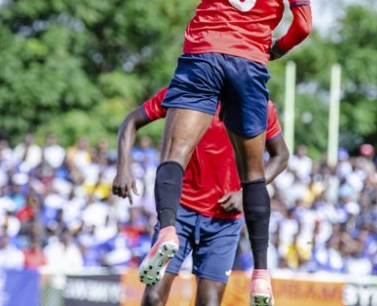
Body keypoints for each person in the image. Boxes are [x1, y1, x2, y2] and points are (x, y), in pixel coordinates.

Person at [141, 0, 312, 305]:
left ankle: (166, 230)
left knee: (174, 154)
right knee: (253, 174)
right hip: (249, 62)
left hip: (203, 53)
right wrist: (276, 48)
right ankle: (261, 275)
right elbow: (304, 25)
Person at [115, 87, 290, 306]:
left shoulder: (260, 105)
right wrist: (123, 167)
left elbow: (281, 155)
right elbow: (132, 120)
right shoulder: (186, 89)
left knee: (209, 303)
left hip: (223, 222)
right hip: (179, 212)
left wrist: (245, 193)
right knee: (153, 298)